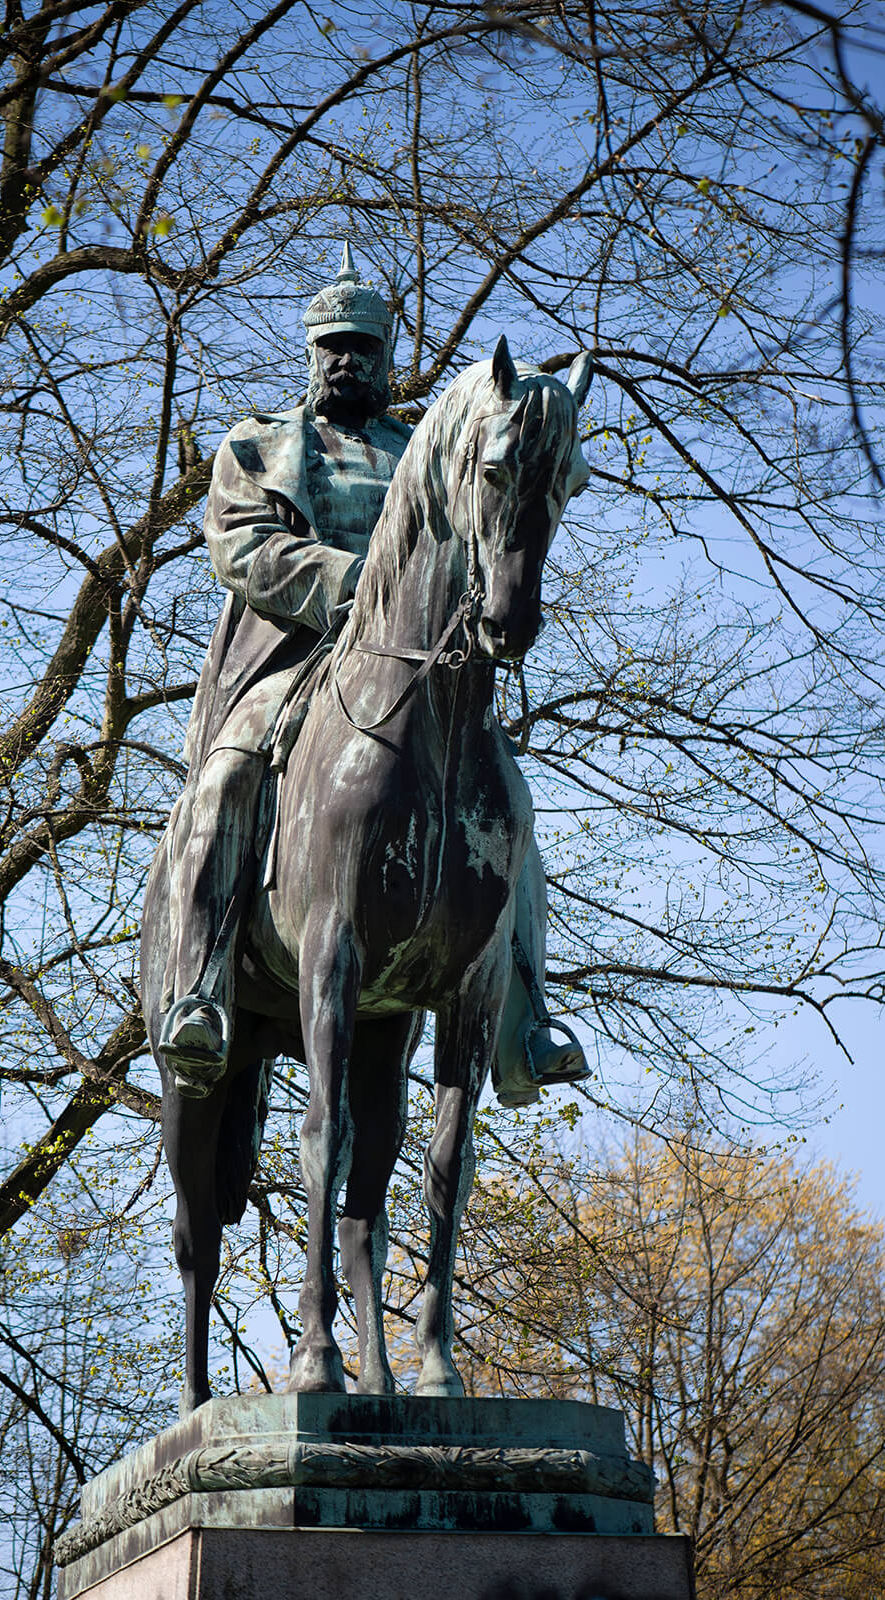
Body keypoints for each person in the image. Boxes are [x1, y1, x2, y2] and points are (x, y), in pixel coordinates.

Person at [158, 244, 587, 1104]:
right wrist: (357, 583)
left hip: (419, 677)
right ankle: (200, 988)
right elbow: (241, 550)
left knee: (508, 800)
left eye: (363, 345)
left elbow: (480, 537)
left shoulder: (428, 446)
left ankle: (528, 1018)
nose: (347, 359)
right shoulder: (258, 446)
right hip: (293, 661)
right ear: (311, 354)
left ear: (389, 356)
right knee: (228, 774)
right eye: (332, 346)